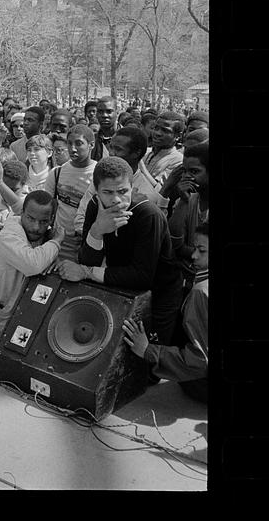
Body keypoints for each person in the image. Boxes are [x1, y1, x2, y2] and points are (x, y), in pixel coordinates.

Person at [59, 157, 183, 346]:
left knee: (148, 355)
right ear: (96, 190)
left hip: (159, 293)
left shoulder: (148, 215)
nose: (116, 199)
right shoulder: (94, 206)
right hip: (122, 285)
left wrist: (85, 272)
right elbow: (87, 259)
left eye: (123, 191)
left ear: (132, 187)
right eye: (107, 192)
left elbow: (142, 276)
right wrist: (97, 231)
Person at [122, 222, 209, 403]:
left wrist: (148, 350)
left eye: (202, 250)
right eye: (195, 248)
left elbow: (200, 361)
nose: (193, 255)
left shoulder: (201, 291)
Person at [0, 190, 64, 339]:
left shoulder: (44, 235)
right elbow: (33, 264)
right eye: (30, 218)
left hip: (24, 309)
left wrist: (52, 259)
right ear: (22, 214)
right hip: (1, 314)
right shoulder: (9, 235)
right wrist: (56, 242)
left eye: (43, 222)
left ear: (52, 220)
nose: (36, 227)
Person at [161, 141, 209, 294]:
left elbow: (182, 249)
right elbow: (174, 243)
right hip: (187, 278)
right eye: (185, 171)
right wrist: (183, 200)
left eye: (194, 172)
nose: (187, 177)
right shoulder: (190, 199)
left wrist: (184, 251)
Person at [44, 124, 96, 262]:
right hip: (58, 242)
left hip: (85, 245)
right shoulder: (57, 173)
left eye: (79, 144)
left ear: (91, 145)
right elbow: (48, 207)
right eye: (69, 143)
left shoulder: (99, 175)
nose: (73, 149)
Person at [142, 111, 186, 185]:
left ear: (178, 136)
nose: (157, 133)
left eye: (165, 130)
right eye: (156, 128)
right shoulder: (146, 152)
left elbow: (161, 190)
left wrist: (141, 167)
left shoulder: (178, 161)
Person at [92, 96, 117, 161]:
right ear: (96, 114)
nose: (104, 115)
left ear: (116, 112)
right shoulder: (92, 140)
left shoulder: (127, 138)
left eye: (109, 111)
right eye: (100, 111)